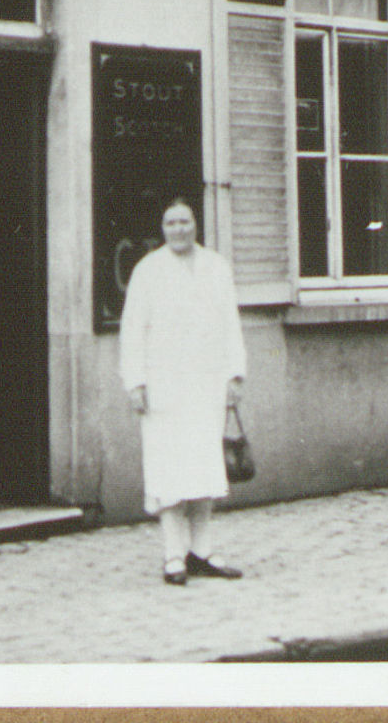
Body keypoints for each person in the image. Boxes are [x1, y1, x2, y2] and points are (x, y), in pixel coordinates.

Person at [119, 198, 248, 585]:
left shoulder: (216, 267)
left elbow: (230, 323)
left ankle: (202, 551)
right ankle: (174, 555)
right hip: (164, 387)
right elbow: (132, 330)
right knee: (169, 469)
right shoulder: (148, 270)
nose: (179, 229)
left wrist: (234, 375)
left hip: (205, 384)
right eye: (171, 222)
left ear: (196, 225)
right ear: (162, 227)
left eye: (185, 221)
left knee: (204, 467)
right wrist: (135, 382)